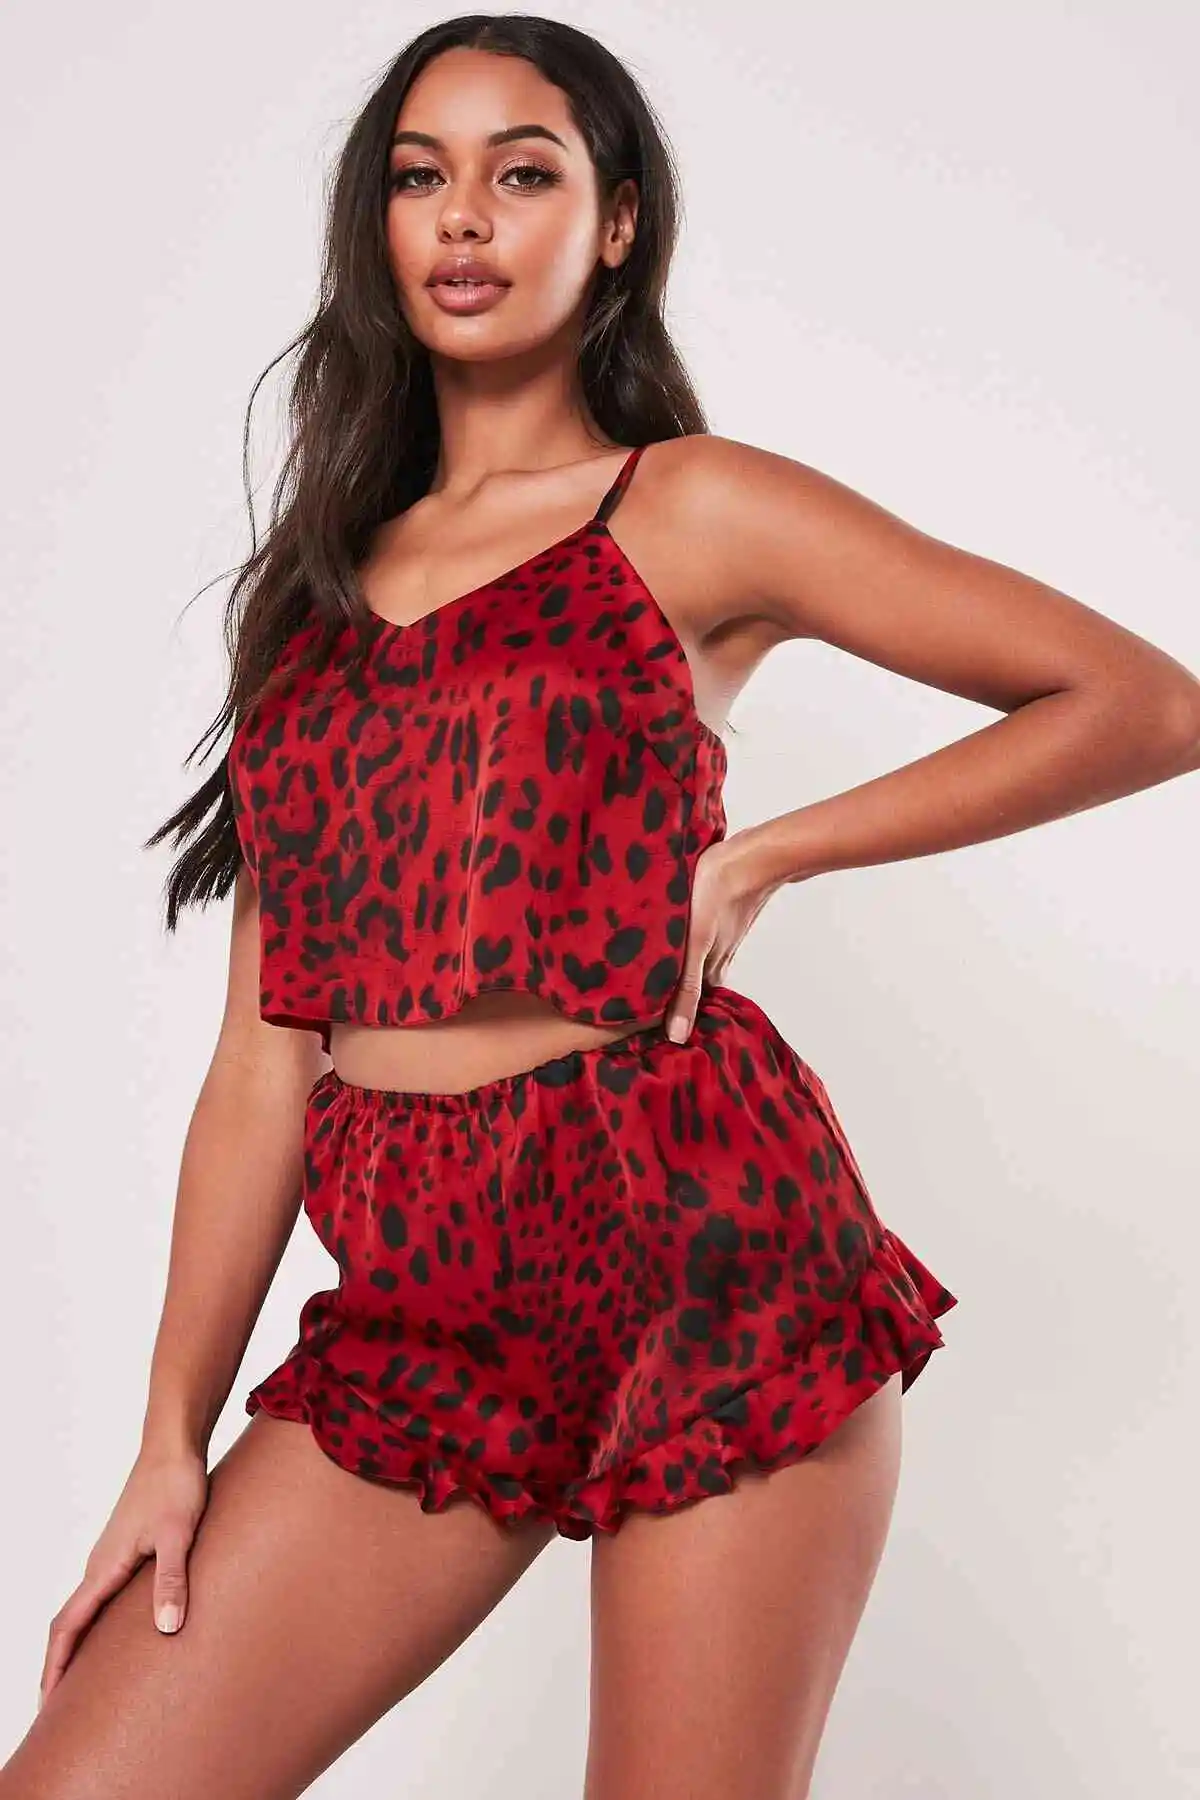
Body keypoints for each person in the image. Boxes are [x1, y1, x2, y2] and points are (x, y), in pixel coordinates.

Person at [7, 15, 1198, 1800]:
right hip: (421, 1295)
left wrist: (773, 850)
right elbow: (263, 1061)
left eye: (524, 173)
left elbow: (1140, 703)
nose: (463, 217)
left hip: (701, 1245)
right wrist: (169, 1443)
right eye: (421, 176)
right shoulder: (318, 592)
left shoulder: (689, 507)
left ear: (617, 222)